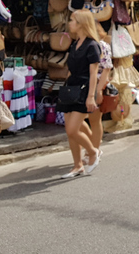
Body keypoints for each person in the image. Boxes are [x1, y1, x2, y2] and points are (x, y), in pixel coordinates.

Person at [58, 10, 101, 179]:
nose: (69, 23)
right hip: (71, 88)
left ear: (82, 23)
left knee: (72, 130)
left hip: (84, 89)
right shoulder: (74, 44)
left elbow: (93, 74)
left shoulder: (92, 46)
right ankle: (77, 165)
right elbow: (70, 70)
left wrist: (91, 96)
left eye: (72, 20)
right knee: (69, 130)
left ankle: (92, 152)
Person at [80, 23, 112, 156]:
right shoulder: (82, 44)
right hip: (82, 84)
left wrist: (99, 90)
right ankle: (92, 145)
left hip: (98, 83)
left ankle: (95, 149)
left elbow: (106, 69)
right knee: (78, 119)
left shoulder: (102, 45)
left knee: (94, 119)